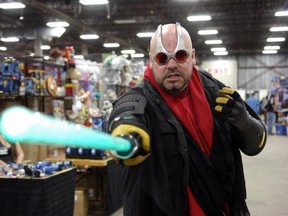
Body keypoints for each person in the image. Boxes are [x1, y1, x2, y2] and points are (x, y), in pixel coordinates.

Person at [108, 23, 267, 216]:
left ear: (192, 56)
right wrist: (126, 133)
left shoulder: (216, 91)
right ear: (151, 61)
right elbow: (126, 113)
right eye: (162, 58)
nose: (172, 64)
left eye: (180, 55)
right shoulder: (139, 99)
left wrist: (243, 121)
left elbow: (256, 143)